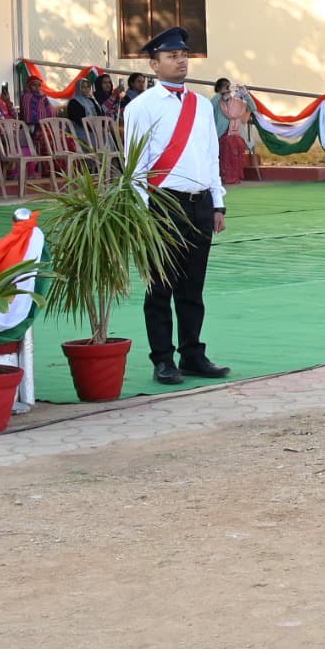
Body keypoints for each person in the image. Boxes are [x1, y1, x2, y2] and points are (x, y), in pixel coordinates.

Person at [122, 30, 230, 386]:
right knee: (160, 288)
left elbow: (209, 156)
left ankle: (193, 354)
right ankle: (163, 360)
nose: (180, 60)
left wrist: (218, 203)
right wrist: (142, 214)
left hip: (199, 204)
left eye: (183, 54)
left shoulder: (201, 105)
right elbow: (134, 165)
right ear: (154, 65)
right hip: (162, 205)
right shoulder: (140, 107)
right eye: (171, 56)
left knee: (192, 287)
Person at [215, 77, 253, 185]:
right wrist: (219, 94)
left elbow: (253, 108)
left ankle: (235, 177)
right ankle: (225, 177)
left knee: (235, 151)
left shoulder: (237, 102)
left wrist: (245, 94)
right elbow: (210, 105)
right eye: (225, 88)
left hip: (236, 135)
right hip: (220, 135)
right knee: (224, 152)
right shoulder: (218, 102)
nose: (227, 90)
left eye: (228, 87)